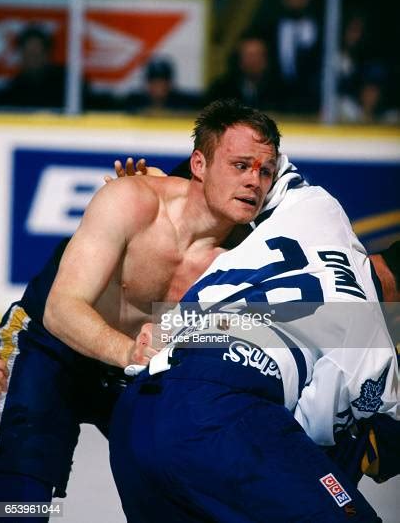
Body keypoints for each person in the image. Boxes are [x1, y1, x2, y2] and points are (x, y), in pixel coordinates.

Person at [0, 100, 279, 512]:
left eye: (265, 171)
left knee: (184, 489)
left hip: (136, 370)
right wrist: (130, 352)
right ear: (199, 164)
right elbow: (61, 309)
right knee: (21, 493)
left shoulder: (249, 256)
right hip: (53, 347)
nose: (255, 180)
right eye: (241, 165)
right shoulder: (133, 201)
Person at [108, 158, 398, 521]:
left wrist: (167, 188)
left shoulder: (317, 206)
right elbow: (318, 442)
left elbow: (246, 159)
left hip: (136, 408)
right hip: (221, 413)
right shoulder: (371, 343)